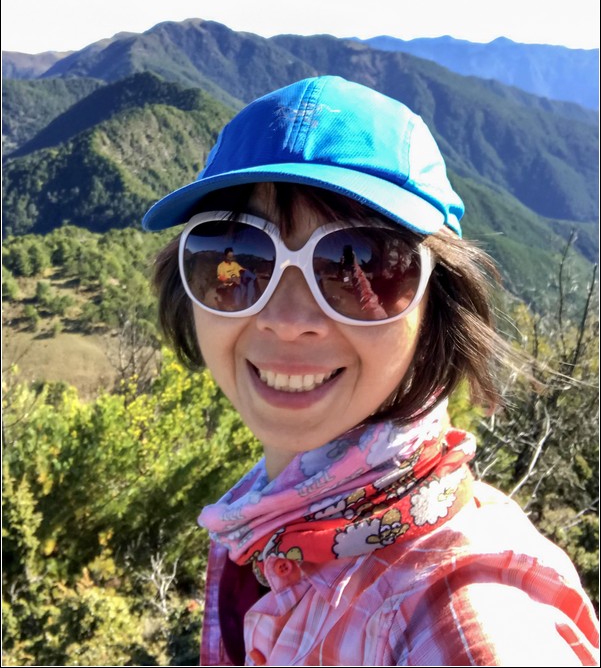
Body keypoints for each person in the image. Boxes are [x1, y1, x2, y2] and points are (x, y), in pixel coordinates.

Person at [143, 75, 599, 667]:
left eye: (357, 263)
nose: (288, 320)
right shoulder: (263, 527)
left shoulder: (458, 619)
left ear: (437, 310)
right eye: (242, 255)